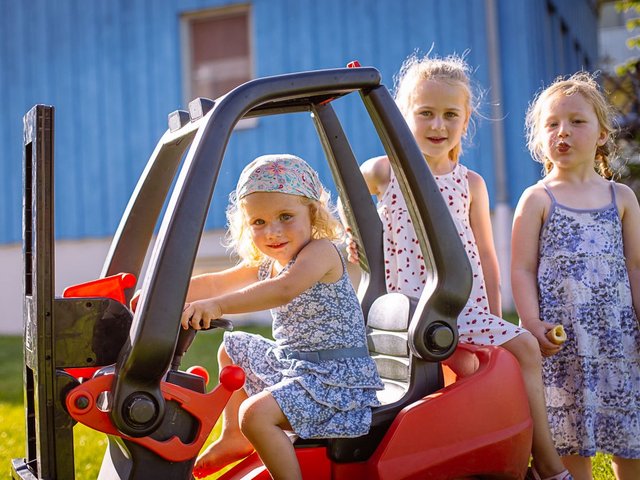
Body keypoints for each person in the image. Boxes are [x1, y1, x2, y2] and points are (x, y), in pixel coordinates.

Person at [347, 52, 571, 480]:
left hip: (463, 308)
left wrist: (490, 310)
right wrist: (352, 238)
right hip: (413, 310)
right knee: (501, 358)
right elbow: (346, 205)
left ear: (466, 120)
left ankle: (532, 456)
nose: (437, 126)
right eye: (425, 113)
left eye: (450, 115)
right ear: (402, 116)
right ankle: (543, 463)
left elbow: (484, 253)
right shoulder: (383, 172)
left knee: (508, 355)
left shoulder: (470, 184)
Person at [181, 154, 383, 480]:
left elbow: (284, 289)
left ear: (313, 214)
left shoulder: (320, 252)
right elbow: (216, 281)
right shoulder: (268, 260)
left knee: (255, 415)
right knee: (231, 347)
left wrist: (217, 305)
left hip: (333, 380)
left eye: (285, 216)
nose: (273, 232)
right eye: (258, 222)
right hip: (294, 367)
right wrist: (159, 294)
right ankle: (233, 437)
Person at [511, 72, 640, 480]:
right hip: (563, 343)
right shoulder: (537, 198)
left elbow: (635, 265)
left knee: (630, 435)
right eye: (551, 124)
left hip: (618, 339)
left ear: (603, 134)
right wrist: (531, 323)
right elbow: (522, 267)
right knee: (570, 435)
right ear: (539, 137)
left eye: (576, 121)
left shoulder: (621, 197)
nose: (562, 132)